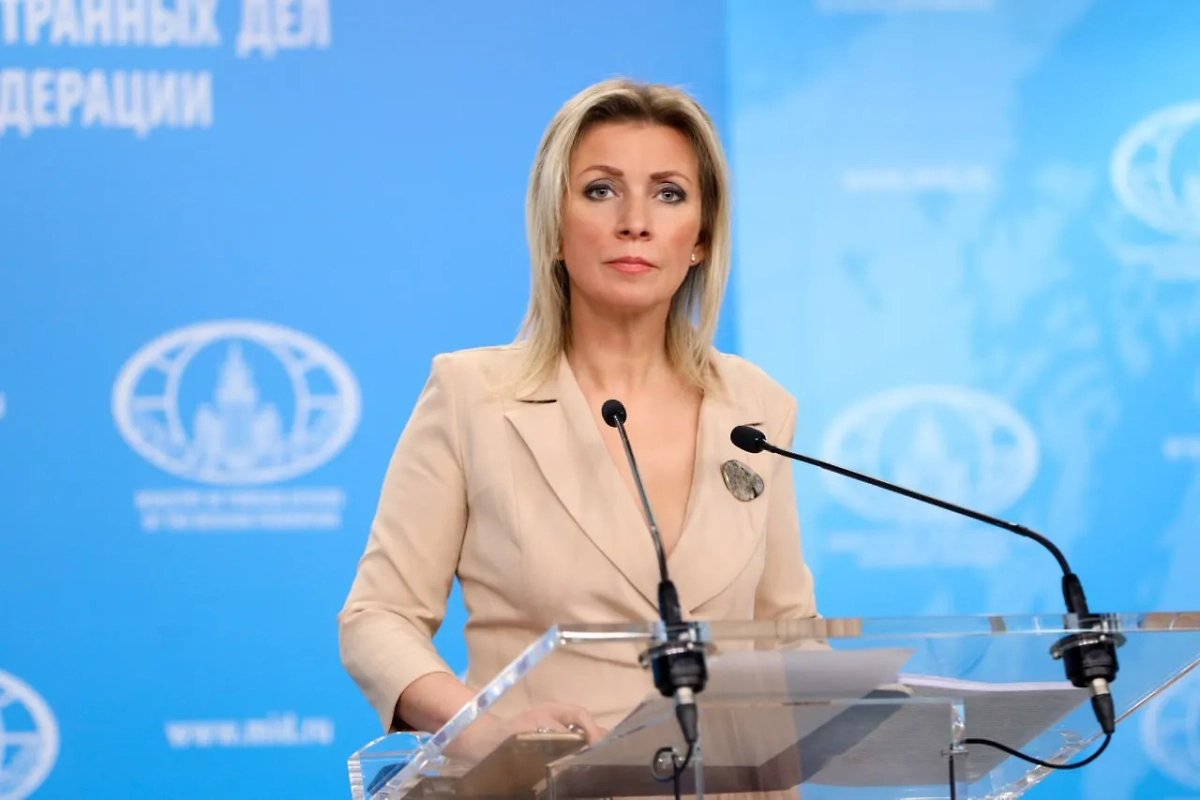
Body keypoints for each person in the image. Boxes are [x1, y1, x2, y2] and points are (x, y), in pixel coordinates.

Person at [337, 77, 819, 760]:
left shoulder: (756, 406)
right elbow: (377, 618)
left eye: (668, 193)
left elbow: (787, 633)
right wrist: (482, 731)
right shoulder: (472, 395)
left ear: (702, 238)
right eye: (600, 190)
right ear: (555, 229)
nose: (635, 221)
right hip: (543, 783)